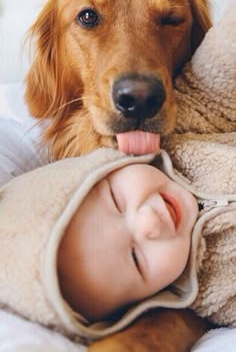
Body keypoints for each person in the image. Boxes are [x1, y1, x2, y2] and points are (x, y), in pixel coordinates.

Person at [0, 132, 235, 343]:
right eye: (136, 258)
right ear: (148, 301)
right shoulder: (219, 295)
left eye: (117, 201)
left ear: (107, 165)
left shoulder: (184, 133)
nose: (150, 221)